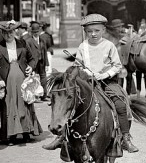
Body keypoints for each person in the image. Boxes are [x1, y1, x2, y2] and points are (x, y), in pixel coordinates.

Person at [43, 14, 138, 153]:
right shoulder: (83, 46)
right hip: (86, 82)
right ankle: (62, 137)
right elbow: (78, 65)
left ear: (103, 30)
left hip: (106, 82)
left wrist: (103, 74)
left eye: (96, 31)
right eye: (89, 31)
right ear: (85, 32)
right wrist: (82, 72)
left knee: (120, 104)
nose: (93, 34)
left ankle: (125, 138)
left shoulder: (109, 45)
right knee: (69, 102)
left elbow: (117, 66)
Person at [0, 21, 42, 144]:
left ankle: (26, 132)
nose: (9, 35)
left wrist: (30, 67)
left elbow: (32, 58)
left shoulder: (22, 43)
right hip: (7, 81)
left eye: (11, 32)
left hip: (22, 80)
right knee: (10, 105)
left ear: (15, 32)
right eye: (6, 33)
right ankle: (10, 135)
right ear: (2, 33)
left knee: (25, 104)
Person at [26, 21, 49, 100]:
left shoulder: (42, 40)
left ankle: (44, 95)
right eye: (34, 32)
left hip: (42, 62)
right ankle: (35, 96)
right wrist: (29, 64)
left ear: (39, 31)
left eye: (37, 32)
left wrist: (47, 64)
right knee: (34, 79)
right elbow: (27, 54)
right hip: (33, 63)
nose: (36, 33)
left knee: (43, 79)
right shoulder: (29, 41)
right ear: (32, 32)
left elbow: (45, 52)